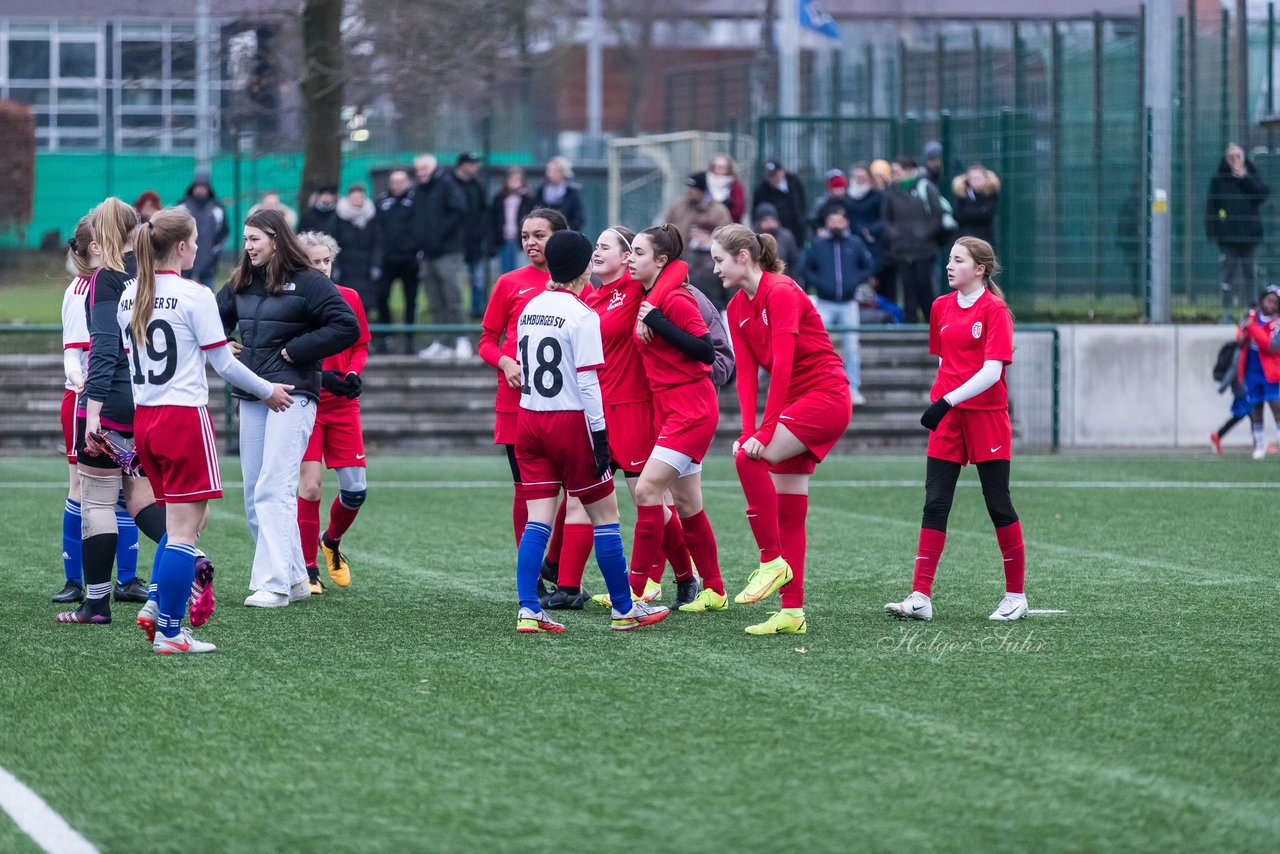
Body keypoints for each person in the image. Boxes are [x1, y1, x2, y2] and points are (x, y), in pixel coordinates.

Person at [123, 207, 293, 652]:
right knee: (185, 529)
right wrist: (268, 390)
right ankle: (171, 633)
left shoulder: (129, 294)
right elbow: (224, 364)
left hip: (146, 418)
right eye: (196, 240)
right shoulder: (193, 294)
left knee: (181, 523)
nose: (199, 247)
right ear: (180, 247)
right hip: (182, 418)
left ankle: (157, 605)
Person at [511, 230, 671, 633]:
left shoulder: (531, 306)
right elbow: (587, 383)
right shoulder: (582, 315)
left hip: (529, 419)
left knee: (538, 520)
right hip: (569, 422)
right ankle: (623, 608)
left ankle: (529, 608)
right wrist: (600, 438)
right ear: (584, 267)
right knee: (607, 516)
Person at [714, 223, 854, 635]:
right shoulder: (738, 306)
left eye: (719, 260)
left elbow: (785, 367)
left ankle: (771, 561)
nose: (715, 269)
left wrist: (764, 431)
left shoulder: (781, 291)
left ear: (743, 257)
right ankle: (792, 612)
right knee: (788, 506)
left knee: (747, 458)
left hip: (825, 397)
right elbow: (745, 377)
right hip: (796, 403)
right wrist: (748, 428)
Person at [216, 208, 359, 608]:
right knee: (253, 493)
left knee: (274, 487)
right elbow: (210, 322)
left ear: (276, 239)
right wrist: (221, 342)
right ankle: (295, 578)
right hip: (254, 394)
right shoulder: (241, 281)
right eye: (245, 240)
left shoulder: (310, 282)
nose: (247, 247)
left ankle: (274, 584)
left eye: (254, 239)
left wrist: (295, 351)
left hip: (294, 396)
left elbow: (346, 325)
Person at [885, 237, 1027, 623]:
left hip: (985, 415)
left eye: (959, 260)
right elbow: (948, 360)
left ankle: (1016, 596)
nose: (949, 265)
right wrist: (943, 400)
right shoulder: (940, 307)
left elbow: (992, 371)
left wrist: (947, 400)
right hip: (949, 418)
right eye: (949, 258)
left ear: (979, 269)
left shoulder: (996, 310)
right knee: (935, 502)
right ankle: (920, 597)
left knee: (998, 504)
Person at [570, 227, 699, 611]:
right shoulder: (592, 297)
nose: (596, 251)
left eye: (605, 246)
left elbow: (677, 267)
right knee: (587, 498)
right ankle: (565, 581)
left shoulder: (635, 290)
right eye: (595, 245)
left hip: (634, 408)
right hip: (597, 411)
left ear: (628, 256)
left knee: (648, 500)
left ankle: (682, 577)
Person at [56, 198, 169, 624]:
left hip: (113, 402)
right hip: (149, 400)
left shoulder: (107, 279)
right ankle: (189, 555)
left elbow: (103, 350)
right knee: (140, 497)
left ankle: (96, 604)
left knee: (98, 502)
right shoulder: (151, 274)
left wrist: (94, 412)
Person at [626, 224, 728, 612]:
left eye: (638, 253)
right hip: (670, 408)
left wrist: (657, 322)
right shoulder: (650, 294)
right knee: (687, 504)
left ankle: (633, 592)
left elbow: (705, 351)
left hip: (691, 410)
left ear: (661, 260)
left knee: (647, 491)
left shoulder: (677, 299)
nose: (632, 259)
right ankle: (715, 589)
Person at [54, 216, 141, 604]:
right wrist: (77, 378)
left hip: (119, 395)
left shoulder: (124, 279)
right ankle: (75, 581)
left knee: (128, 489)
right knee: (84, 488)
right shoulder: (84, 288)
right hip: (89, 399)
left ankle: (127, 579)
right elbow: (76, 349)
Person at [479, 208, 569, 551]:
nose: (531, 243)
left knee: (574, 492)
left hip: (564, 404)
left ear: (559, 238)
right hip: (516, 402)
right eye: (525, 237)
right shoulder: (509, 283)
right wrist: (505, 362)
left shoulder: (579, 285)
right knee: (527, 490)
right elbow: (487, 340)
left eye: (539, 236)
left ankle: (558, 566)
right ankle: (529, 572)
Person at [295, 231, 372, 592]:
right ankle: (308, 568)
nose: (323, 268)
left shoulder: (350, 298)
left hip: (343, 407)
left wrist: (354, 373)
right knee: (309, 489)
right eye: (315, 262)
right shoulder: (291, 300)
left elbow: (360, 345)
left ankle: (332, 541)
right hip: (306, 402)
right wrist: (319, 376)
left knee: (356, 491)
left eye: (327, 261)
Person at [804, 206, 875, 406]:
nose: (835, 224)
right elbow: (807, 269)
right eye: (832, 221)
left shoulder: (855, 243)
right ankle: (815, 387)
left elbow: (868, 266)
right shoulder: (818, 245)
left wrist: (854, 280)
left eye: (839, 221)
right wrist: (820, 283)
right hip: (824, 303)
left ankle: (853, 389)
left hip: (849, 303)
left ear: (846, 223)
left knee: (852, 346)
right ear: (827, 223)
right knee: (816, 346)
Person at [414, 154, 472, 361]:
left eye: (424, 168)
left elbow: (458, 213)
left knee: (453, 297)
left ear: (433, 167)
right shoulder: (419, 190)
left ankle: (462, 339)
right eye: (418, 169)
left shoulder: (447, 185)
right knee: (434, 300)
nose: (420, 172)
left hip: (447, 252)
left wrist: (439, 237)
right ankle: (443, 341)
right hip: (427, 254)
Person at [1207, 144, 1271, 323]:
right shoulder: (1219, 180)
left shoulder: (1252, 174)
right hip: (1228, 238)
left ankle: (1252, 310)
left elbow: (1263, 194)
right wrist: (1213, 232)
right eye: (1231, 157)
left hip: (1251, 237)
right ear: (1225, 159)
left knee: (1252, 274)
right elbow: (1212, 207)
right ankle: (1227, 311)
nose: (1235, 160)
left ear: (1244, 157)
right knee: (1228, 275)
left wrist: (1244, 178)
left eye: (1238, 156)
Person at [882, 157, 943, 323]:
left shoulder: (925, 187)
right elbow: (886, 218)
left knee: (925, 286)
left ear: (908, 169)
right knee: (907, 289)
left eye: (897, 171)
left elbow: (937, 214)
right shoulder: (891, 191)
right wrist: (895, 235)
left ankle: (932, 326)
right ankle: (910, 324)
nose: (894, 175)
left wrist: (924, 233)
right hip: (901, 250)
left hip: (924, 249)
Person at [664, 172, 732, 311]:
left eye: (692, 189)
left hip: (711, 269)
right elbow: (665, 232)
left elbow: (727, 238)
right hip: (682, 263)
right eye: (687, 188)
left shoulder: (719, 211)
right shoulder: (677, 208)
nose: (688, 192)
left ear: (702, 190)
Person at [374, 169, 419, 353]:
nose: (397, 185)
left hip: (410, 259)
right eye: (394, 181)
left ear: (407, 182)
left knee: (411, 300)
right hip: (387, 260)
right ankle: (386, 336)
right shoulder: (382, 202)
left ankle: (410, 340)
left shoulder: (416, 201)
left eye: (401, 181)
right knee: (382, 296)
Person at [1235, 286, 1280, 459]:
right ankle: (1259, 445)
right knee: (1256, 407)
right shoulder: (1250, 316)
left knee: (1276, 405)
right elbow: (1240, 340)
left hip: (1270, 372)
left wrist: (1251, 327)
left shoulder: (1277, 323)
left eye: (1275, 303)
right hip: (1252, 371)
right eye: (1269, 301)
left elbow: (1270, 346)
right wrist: (1243, 333)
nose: (1271, 305)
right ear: (1262, 300)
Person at [331, 182, 381, 314]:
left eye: (359, 197)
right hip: (346, 268)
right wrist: (335, 265)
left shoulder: (372, 217)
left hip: (366, 268)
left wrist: (376, 264)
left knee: (365, 304)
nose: (356, 200)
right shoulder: (338, 217)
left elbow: (378, 242)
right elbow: (332, 242)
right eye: (353, 197)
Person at [452, 152, 490, 319]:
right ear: (462, 165)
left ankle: (477, 310)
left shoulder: (477, 185)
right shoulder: (450, 184)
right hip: (455, 243)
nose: (476, 167)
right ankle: (458, 312)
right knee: (457, 281)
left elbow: (483, 211)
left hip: (475, 242)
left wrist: (481, 233)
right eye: (472, 164)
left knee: (478, 279)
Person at [178, 172, 229, 287]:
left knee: (208, 295)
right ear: (193, 187)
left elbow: (223, 233)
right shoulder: (182, 207)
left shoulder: (217, 208)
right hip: (183, 260)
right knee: (183, 294)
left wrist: (214, 253)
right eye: (198, 186)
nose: (200, 190)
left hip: (208, 263)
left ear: (208, 188)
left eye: (203, 186)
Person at [488, 166, 535, 275]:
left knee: (521, 270)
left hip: (521, 241)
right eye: (511, 179)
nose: (514, 182)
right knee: (505, 271)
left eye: (517, 179)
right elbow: (493, 220)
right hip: (504, 239)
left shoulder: (528, 199)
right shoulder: (499, 198)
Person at [752, 158, 808, 247]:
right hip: (775, 233)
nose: (773, 178)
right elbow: (756, 212)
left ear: (782, 172)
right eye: (770, 176)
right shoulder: (762, 190)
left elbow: (803, 203)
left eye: (775, 175)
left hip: (797, 230)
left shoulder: (794, 182)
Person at [1209, 339, 1249, 456]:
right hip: (1243, 389)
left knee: (1240, 415)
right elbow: (1233, 370)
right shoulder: (1240, 351)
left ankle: (1217, 435)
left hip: (1244, 388)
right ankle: (1259, 443)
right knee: (1252, 413)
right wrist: (1223, 386)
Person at [951, 164, 1000, 247]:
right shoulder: (962, 195)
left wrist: (969, 211)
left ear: (985, 178)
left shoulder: (991, 194)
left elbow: (987, 214)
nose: (976, 181)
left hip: (985, 240)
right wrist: (979, 210)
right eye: (973, 178)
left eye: (978, 178)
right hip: (965, 240)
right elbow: (957, 215)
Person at [754, 203, 801, 284]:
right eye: (766, 220)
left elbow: (794, 263)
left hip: (784, 282)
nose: (769, 223)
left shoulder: (786, 236)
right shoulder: (754, 239)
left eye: (772, 219)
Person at [535, 156, 585, 231]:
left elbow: (578, 218)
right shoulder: (541, 191)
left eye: (554, 171)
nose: (550, 174)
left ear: (563, 173)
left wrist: (568, 232)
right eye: (549, 171)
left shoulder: (571, 192)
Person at [807, 170, 855, 236]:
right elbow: (813, 219)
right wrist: (818, 229)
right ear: (830, 189)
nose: (839, 191)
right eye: (836, 188)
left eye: (841, 188)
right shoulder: (822, 203)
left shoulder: (850, 202)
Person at [706, 153, 747, 223]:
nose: (718, 170)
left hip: (730, 223)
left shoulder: (735, 185)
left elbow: (739, 209)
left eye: (722, 167)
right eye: (717, 167)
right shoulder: (706, 182)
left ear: (728, 169)